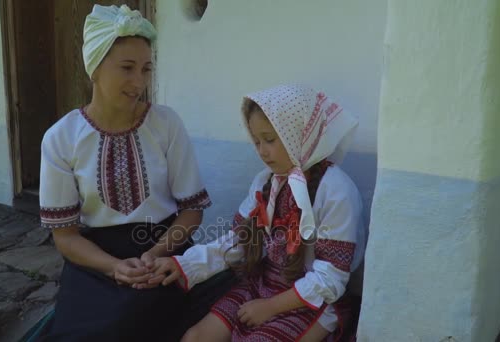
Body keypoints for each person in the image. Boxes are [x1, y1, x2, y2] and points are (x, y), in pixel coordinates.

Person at [36, 5, 233, 341]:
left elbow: (191, 211)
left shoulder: (166, 124)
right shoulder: (61, 138)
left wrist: (155, 254)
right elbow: (66, 237)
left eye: (146, 69)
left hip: (163, 247)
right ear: (94, 67)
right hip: (97, 259)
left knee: (158, 318)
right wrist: (114, 267)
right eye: (127, 68)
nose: (139, 82)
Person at [150, 84, 367, 341]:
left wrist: (271, 307)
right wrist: (183, 264)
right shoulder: (266, 182)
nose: (262, 151)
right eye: (256, 141)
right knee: (195, 337)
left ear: (299, 134)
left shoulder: (335, 190)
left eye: (270, 140)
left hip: (313, 301)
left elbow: (330, 279)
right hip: (264, 284)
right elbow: (239, 241)